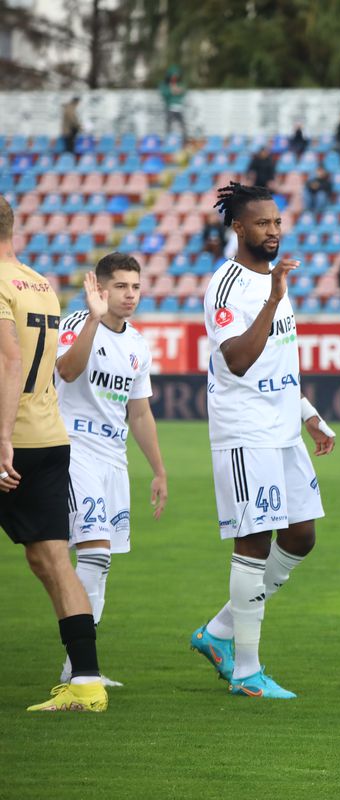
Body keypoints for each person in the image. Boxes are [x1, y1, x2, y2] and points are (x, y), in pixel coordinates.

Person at [189, 183, 336, 699]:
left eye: (276, 222)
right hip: (245, 431)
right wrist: (272, 300)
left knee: (301, 536)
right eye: (262, 223)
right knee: (253, 542)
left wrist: (309, 414)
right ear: (238, 228)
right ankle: (248, 673)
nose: (273, 230)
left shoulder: (273, 283)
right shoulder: (227, 285)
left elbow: (279, 363)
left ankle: (219, 632)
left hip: (282, 428)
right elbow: (237, 360)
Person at [0, 196, 108, 713]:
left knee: (53, 562)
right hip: (48, 437)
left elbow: (8, 360)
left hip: (8, 440)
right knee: (54, 561)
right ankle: (87, 682)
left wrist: (1, 439)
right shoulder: (39, 283)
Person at [53, 253, 167, 685]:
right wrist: (92, 321)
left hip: (113, 458)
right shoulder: (75, 325)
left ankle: (78, 667)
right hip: (72, 448)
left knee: (100, 562)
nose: (130, 295)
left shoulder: (137, 344)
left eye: (135, 286)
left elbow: (139, 413)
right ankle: (79, 668)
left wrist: (158, 470)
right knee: (94, 551)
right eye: (120, 286)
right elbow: (66, 369)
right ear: (99, 289)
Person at [161, 67, 187, 138]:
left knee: (183, 126)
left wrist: (175, 90)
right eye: (173, 76)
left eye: (176, 76)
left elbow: (182, 91)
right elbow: (166, 93)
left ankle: (184, 141)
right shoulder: (165, 85)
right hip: (170, 108)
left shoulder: (180, 84)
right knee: (169, 126)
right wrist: (174, 90)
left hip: (179, 108)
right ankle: (168, 140)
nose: (174, 78)